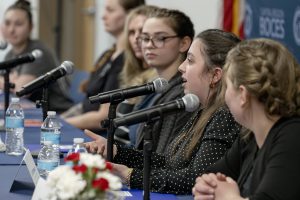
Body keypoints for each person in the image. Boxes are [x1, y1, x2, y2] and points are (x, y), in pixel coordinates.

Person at [84, 28, 241, 194]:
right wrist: (117, 152)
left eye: (190, 60)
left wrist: (131, 175)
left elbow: (195, 178)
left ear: (215, 75)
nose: (182, 67)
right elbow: (169, 163)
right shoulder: (204, 110)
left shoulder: (225, 116)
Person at [192, 38, 300, 200]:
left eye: (227, 86)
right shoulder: (250, 135)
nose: (224, 96)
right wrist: (206, 185)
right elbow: (211, 174)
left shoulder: (293, 136)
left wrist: (228, 197)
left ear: (242, 95)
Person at [63, 0, 145, 131]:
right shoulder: (108, 54)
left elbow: (103, 116)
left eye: (110, 10)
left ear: (130, 15)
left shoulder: (124, 62)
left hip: (95, 132)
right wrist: (57, 121)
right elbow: (84, 104)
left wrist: (62, 124)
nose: (103, 16)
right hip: (82, 119)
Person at [0, 0, 73, 113]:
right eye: (7, 23)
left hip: (58, 114)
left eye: (18, 24)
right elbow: (7, 86)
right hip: (34, 111)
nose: (11, 30)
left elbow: (20, 91)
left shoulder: (38, 52)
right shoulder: (10, 54)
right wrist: (10, 82)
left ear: (30, 27)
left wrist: (9, 82)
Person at [114, 5, 159, 144]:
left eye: (142, 31)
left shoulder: (158, 81)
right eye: (132, 32)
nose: (136, 38)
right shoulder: (132, 74)